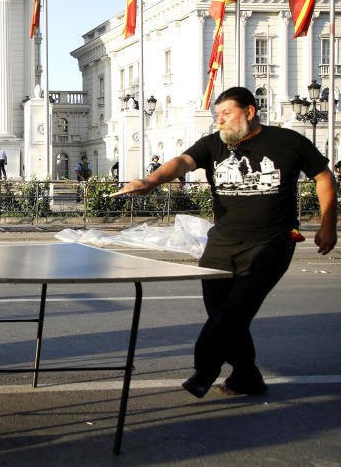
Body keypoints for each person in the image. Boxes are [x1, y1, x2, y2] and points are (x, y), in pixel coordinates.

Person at [113, 87, 336, 399]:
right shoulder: (213, 144)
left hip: (272, 242)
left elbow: (324, 177)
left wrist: (328, 225)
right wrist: (152, 180)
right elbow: (182, 162)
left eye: (227, 114)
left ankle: (205, 369)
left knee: (233, 312)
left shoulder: (288, 142)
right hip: (221, 244)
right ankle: (247, 377)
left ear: (249, 112)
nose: (221, 122)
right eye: (217, 116)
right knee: (221, 311)